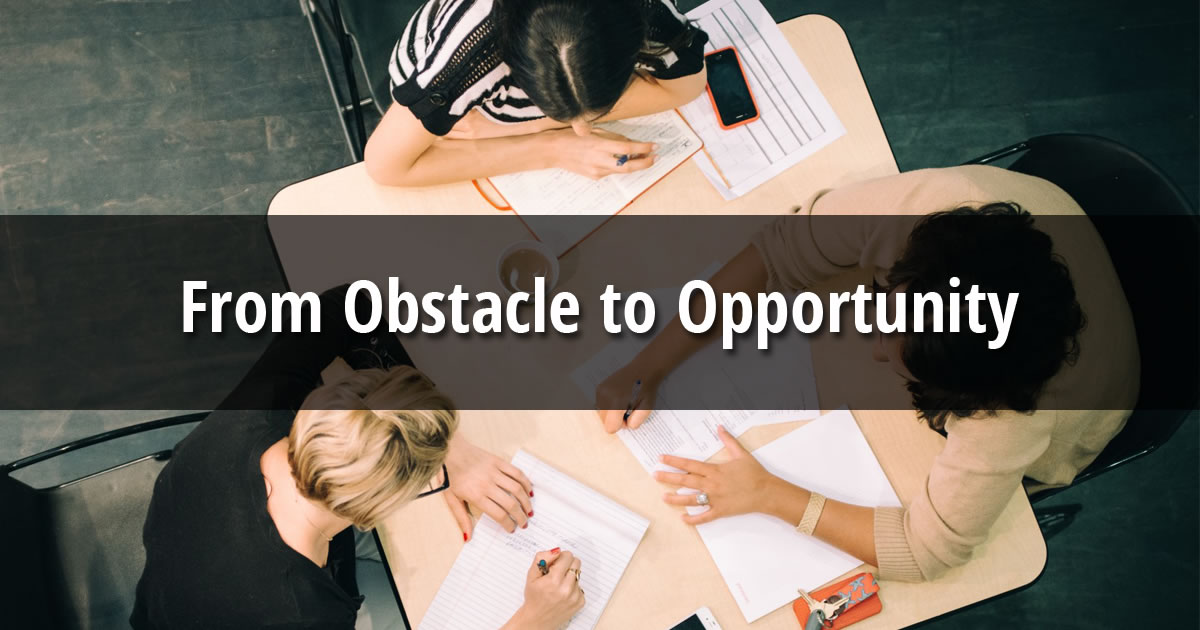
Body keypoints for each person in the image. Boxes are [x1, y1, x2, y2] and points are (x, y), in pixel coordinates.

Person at [594, 165, 1139, 582]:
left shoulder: (1011, 417)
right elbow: (782, 248)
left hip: (1069, 425)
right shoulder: (930, 210)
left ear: (963, 399)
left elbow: (927, 552)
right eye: (885, 304)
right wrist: (650, 361)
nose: (876, 349)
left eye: (907, 361)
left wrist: (770, 494)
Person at [131, 287, 585, 629]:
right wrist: (535, 619)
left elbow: (353, 301)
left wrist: (452, 453)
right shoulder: (305, 612)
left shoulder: (249, 419)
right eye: (432, 480)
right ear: (380, 506)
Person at [363, 0, 710, 186]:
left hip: (486, 124)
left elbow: (688, 84)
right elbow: (386, 166)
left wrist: (518, 126)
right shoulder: (467, 58)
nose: (581, 131)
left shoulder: (642, 10)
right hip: (449, 106)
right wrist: (554, 148)